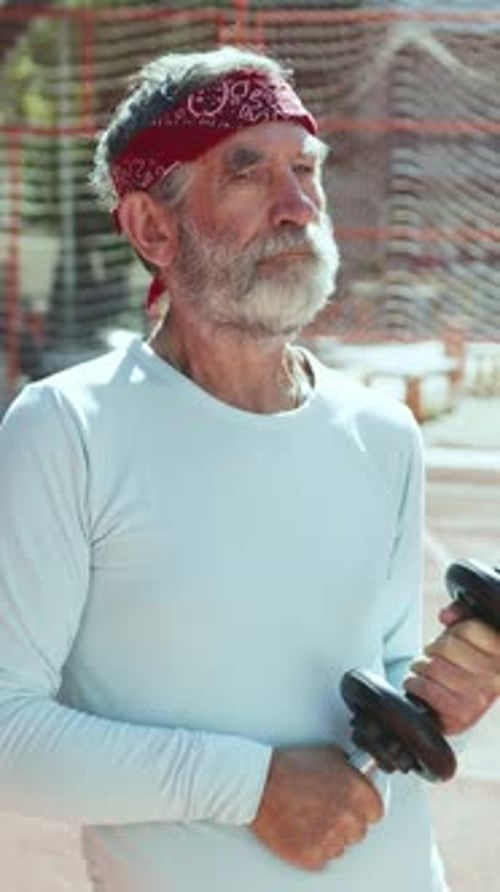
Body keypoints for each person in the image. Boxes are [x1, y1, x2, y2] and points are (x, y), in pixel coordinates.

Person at [0, 45, 498, 892]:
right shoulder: (67, 429)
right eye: (248, 174)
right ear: (152, 229)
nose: (297, 205)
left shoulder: (383, 434)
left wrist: (446, 699)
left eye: (306, 170)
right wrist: (253, 788)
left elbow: (376, 690)